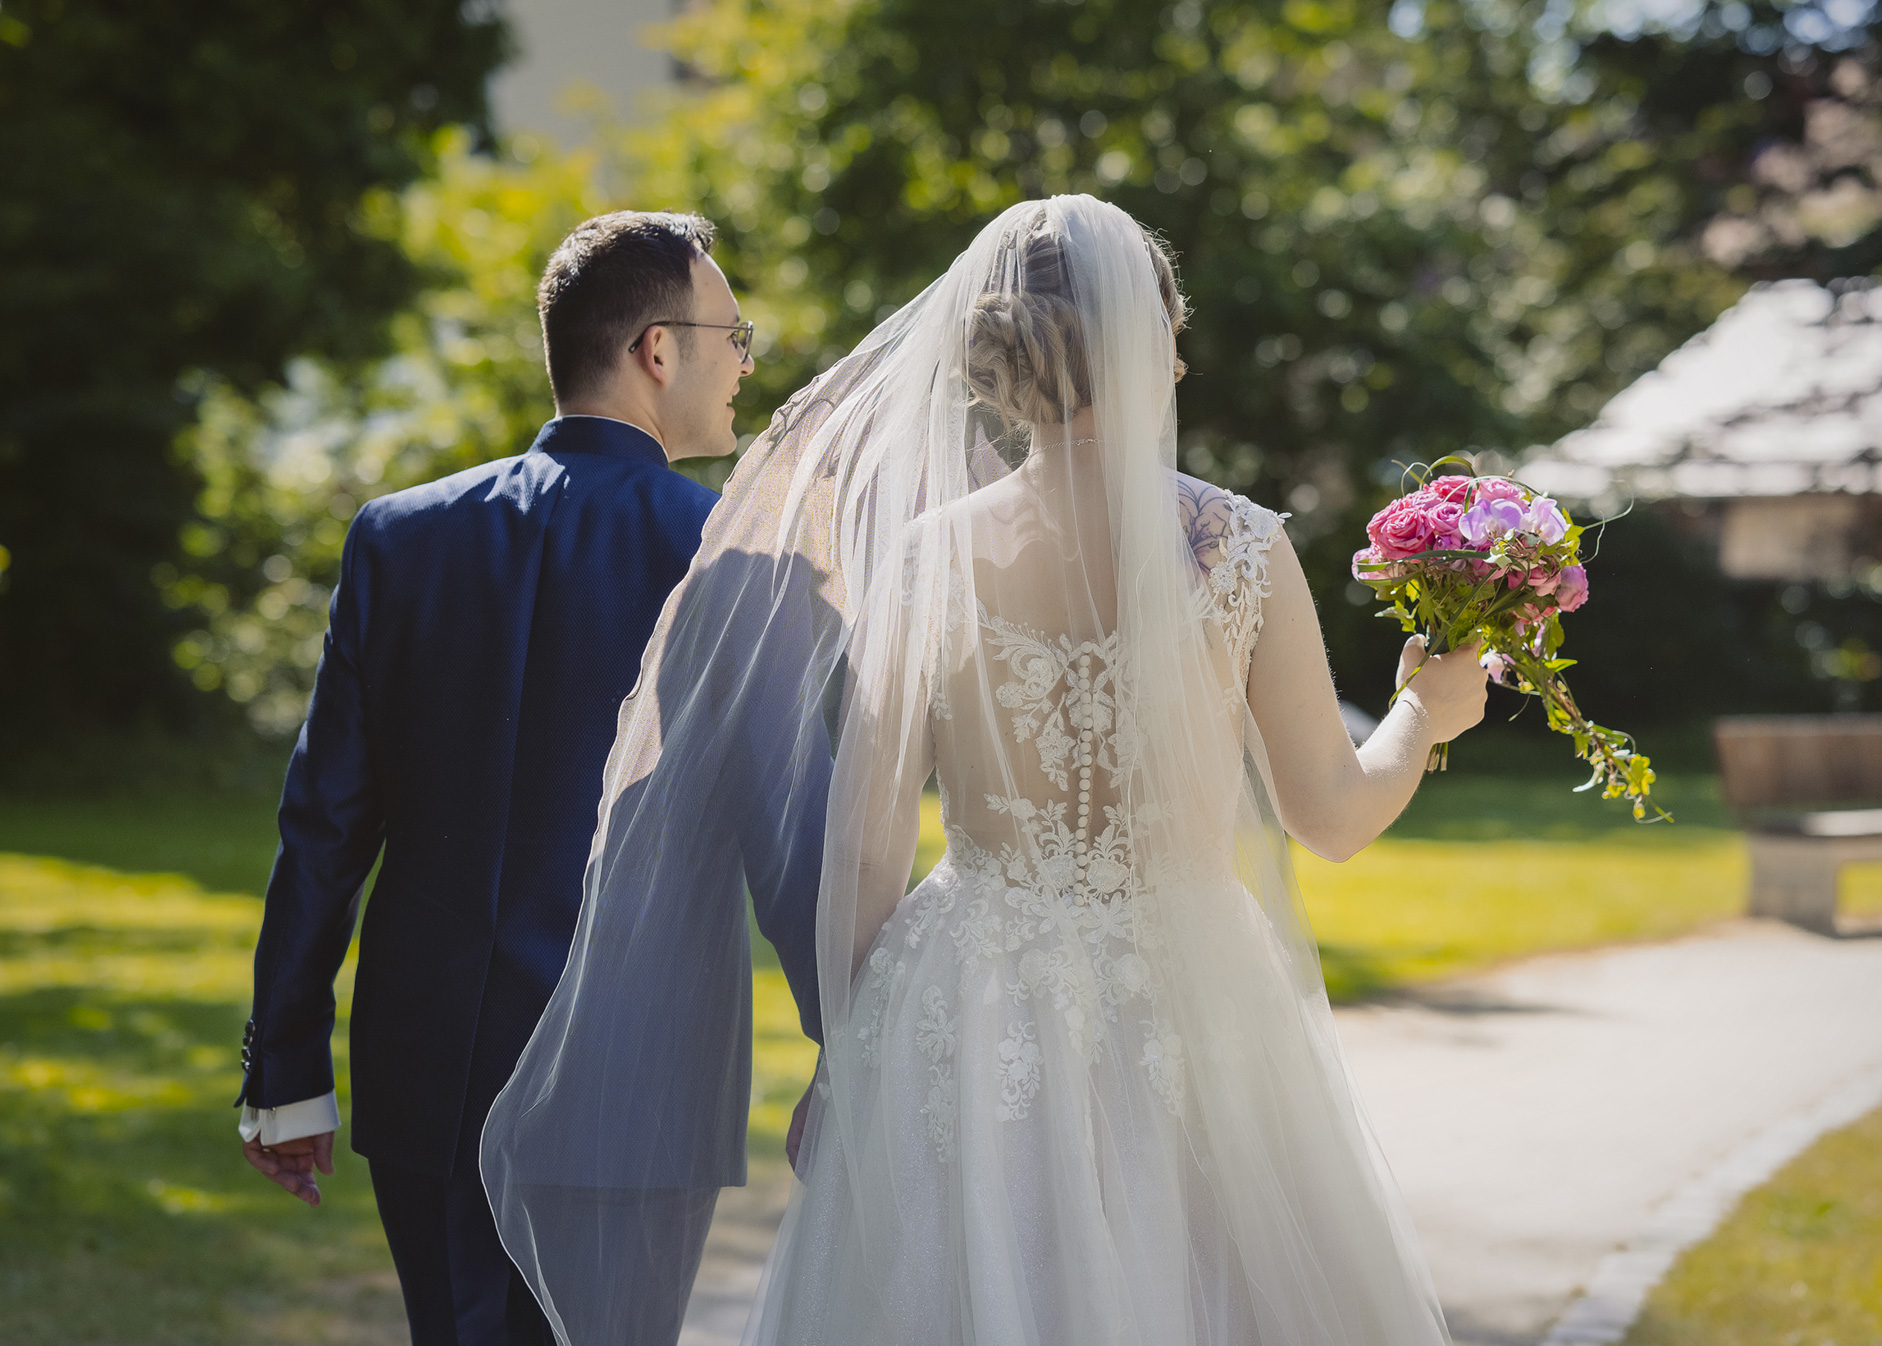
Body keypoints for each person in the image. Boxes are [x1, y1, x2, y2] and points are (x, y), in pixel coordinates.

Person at [486, 195, 1485, 1344]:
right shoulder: (1240, 548)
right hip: (1196, 992)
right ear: (1136, 338)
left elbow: (865, 844)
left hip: (969, 996)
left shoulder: (931, 554)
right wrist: (1425, 704)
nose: (1182, 352)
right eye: (1168, 325)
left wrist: (847, 1054)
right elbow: (1334, 816)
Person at [235, 209, 822, 1346]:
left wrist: (288, 1066)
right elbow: (789, 838)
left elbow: (323, 826)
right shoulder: (737, 560)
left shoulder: (397, 537)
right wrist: (856, 1047)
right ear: (660, 349)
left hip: (431, 1068)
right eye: (731, 333)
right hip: (638, 1077)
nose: (745, 362)